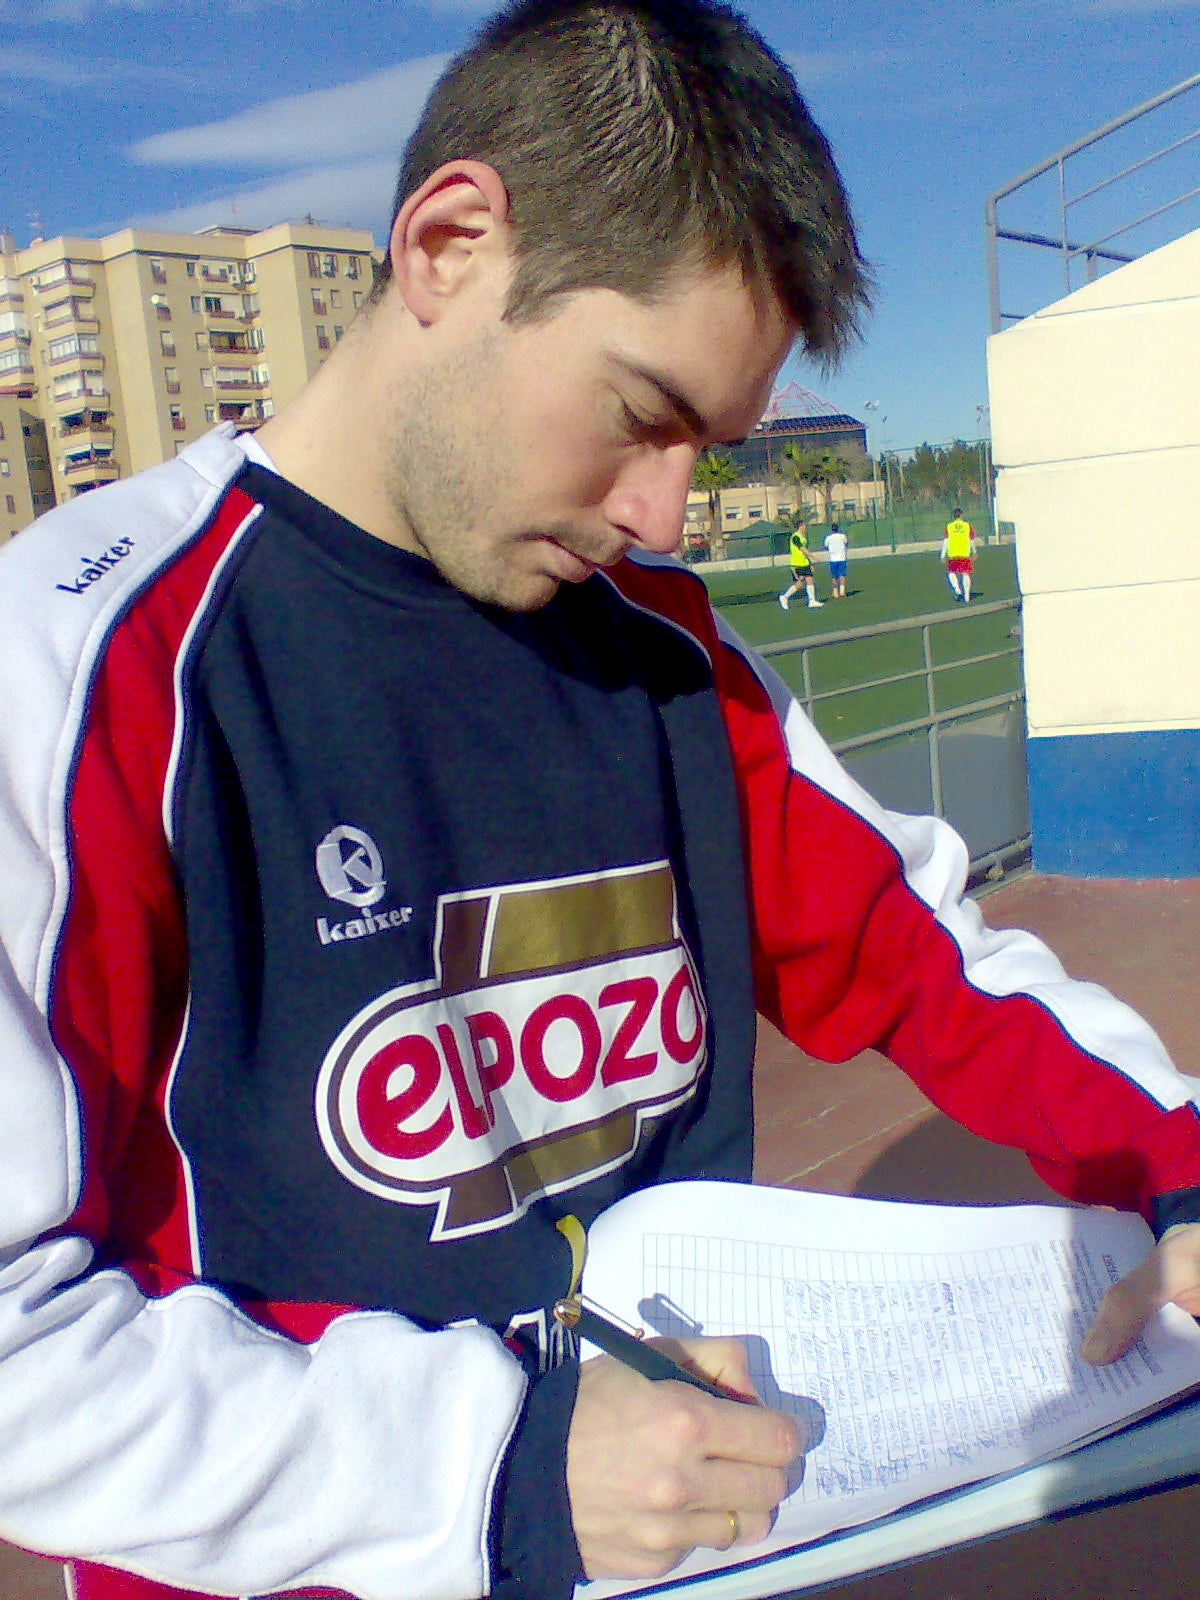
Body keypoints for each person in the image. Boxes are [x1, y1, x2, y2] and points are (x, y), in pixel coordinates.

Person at [1, 5, 1199, 1600]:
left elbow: (933, 957)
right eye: (640, 415)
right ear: (449, 246)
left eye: (708, 448)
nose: (662, 511)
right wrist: (492, 1465)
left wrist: (1177, 1160)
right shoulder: (82, 666)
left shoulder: (668, 658)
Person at [778, 521, 823, 610]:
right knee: (800, 584)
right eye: (804, 526)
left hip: (804, 563)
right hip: (797, 564)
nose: (806, 528)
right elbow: (802, 549)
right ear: (801, 526)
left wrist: (810, 563)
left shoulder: (803, 538)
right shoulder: (795, 537)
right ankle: (784, 597)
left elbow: (804, 552)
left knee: (810, 580)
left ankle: (812, 601)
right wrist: (813, 557)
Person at [941, 506, 978, 602]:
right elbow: (971, 540)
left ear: (954, 516)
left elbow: (946, 541)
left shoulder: (949, 526)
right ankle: (966, 595)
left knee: (951, 573)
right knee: (965, 574)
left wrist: (942, 555)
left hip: (953, 553)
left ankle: (957, 589)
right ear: (961, 515)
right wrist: (974, 552)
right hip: (964, 553)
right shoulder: (967, 526)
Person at [824, 521, 848, 598]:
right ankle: (842, 592)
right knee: (842, 576)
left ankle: (835, 593)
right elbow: (846, 543)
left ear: (831, 530)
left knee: (834, 577)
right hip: (842, 558)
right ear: (838, 529)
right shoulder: (842, 536)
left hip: (833, 560)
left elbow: (825, 546)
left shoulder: (828, 538)